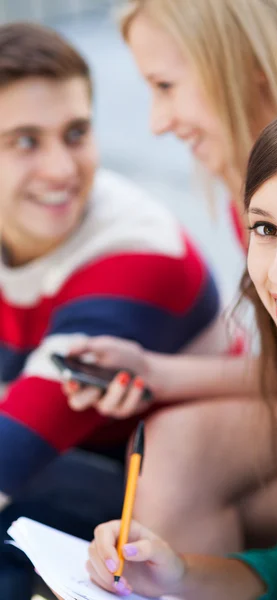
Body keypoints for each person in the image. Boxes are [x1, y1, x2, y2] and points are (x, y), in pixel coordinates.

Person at [65, 0, 277, 556]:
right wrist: (154, 373)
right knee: (176, 450)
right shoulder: (258, 178)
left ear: (240, 59)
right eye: (264, 230)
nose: (157, 121)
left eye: (166, 85)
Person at [0, 21, 225, 600]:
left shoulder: (136, 250)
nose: (61, 169)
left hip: (150, 503)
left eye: (75, 133)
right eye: (25, 141)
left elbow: (16, 446)